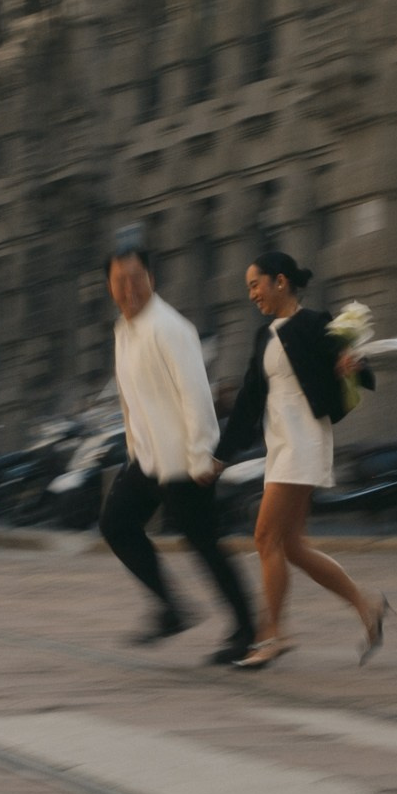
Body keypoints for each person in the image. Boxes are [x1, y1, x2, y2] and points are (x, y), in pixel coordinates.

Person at [202, 252, 389, 670]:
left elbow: (360, 370)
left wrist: (350, 365)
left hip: (305, 440)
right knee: (292, 546)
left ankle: (273, 635)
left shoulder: (314, 324)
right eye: (249, 287)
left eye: (256, 284)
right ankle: (367, 604)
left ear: (280, 281)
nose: (252, 294)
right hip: (281, 444)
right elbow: (249, 404)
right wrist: (220, 457)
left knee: (264, 536)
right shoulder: (264, 336)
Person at [99, 248, 259, 665]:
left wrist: (202, 454)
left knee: (203, 542)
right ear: (110, 286)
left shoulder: (170, 328)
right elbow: (130, 399)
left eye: (135, 278)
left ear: (151, 277)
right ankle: (171, 608)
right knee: (117, 523)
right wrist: (135, 447)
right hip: (150, 459)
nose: (128, 289)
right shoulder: (123, 329)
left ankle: (247, 629)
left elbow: (196, 394)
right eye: (119, 281)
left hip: (185, 460)